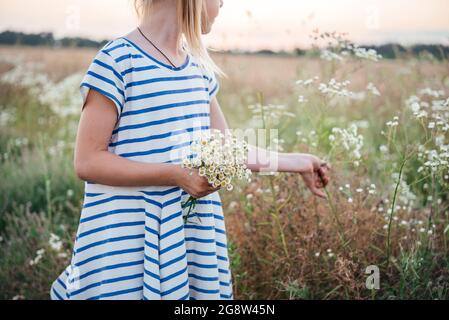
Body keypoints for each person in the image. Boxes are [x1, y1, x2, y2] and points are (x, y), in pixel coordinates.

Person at [50, 0, 330, 300]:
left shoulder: (197, 68)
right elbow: (87, 161)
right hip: (127, 242)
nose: (222, 3)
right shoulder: (118, 60)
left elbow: (227, 149)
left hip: (185, 240)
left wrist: (300, 162)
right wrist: (176, 175)